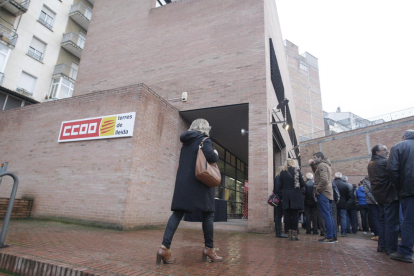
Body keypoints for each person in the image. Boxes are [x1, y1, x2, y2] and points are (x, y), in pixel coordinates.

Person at [156, 119, 222, 264]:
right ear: (205, 128)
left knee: (178, 213)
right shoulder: (205, 140)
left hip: (184, 184)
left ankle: (164, 248)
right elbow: (211, 157)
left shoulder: (185, 142)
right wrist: (216, 153)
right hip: (201, 183)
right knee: (208, 214)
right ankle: (209, 249)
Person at [368, 144, 399, 256]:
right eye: (384, 150)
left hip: (380, 196)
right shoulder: (384, 162)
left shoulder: (371, 163)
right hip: (389, 195)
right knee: (391, 223)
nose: (387, 152)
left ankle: (382, 245)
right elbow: (395, 173)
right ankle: (391, 248)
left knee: (383, 222)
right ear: (377, 152)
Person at [387, 130, 414, 263]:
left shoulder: (399, 146)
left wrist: (399, 186)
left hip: (409, 189)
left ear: (404, 136)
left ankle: (405, 252)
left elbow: (392, 169)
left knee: (408, 221)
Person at [310, 152, 337, 243]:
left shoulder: (321, 165)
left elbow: (323, 180)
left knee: (326, 215)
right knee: (329, 215)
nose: (314, 159)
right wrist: (312, 165)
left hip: (323, 193)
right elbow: (317, 174)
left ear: (320, 157)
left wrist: (317, 189)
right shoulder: (325, 165)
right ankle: (333, 236)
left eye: (315, 157)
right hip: (328, 193)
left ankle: (329, 236)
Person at [277, 159, 305, 241]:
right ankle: (294, 235)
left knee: (287, 215)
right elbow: (302, 183)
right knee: (295, 215)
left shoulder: (282, 172)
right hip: (295, 194)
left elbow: (280, 184)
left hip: (286, 195)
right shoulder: (297, 171)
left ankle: (289, 234)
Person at [333, 172, 353, 237]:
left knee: (334, 217)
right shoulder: (345, 185)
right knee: (343, 217)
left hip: (334, 203)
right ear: (341, 177)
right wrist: (345, 200)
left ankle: (335, 230)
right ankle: (343, 232)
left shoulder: (332, 183)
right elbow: (349, 195)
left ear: (335, 177)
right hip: (343, 203)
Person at [362, 176, 380, 241]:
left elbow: (367, 192)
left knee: (374, 218)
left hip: (371, 202)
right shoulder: (380, 176)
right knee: (382, 217)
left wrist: (374, 200)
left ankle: (377, 234)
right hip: (382, 200)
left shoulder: (366, 180)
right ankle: (383, 234)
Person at [273, 166, 288, 238]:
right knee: (279, 215)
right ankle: (279, 232)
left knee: (278, 215)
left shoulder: (277, 177)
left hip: (279, 198)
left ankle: (278, 231)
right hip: (280, 199)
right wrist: (281, 197)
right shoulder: (279, 177)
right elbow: (277, 188)